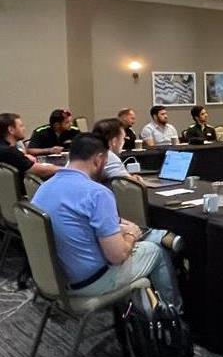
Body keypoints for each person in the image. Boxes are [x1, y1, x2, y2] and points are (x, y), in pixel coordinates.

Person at [32, 134, 181, 308]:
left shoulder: (43, 188)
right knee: (155, 252)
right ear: (99, 159)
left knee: (123, 231)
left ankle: (158, 237)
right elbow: (117, 257)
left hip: (56, 279)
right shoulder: (97, 193)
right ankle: (174, 313)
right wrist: (131, 236)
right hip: (90, 281)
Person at [92, 119, 183, 252]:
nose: (124, 142)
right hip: (113, 221)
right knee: (156, 241)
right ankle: (164, 239)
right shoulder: (108, 156)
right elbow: (129, 187)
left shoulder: (89, 152)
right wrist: (134, 180)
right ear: (113, 141)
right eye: (123, 138)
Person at [0, 112, 59, 182]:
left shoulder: (4, 148)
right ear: (11, 130)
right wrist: (66, 169)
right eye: (21, 126)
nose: (24, 129)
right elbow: (41, 171)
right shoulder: (10, 152)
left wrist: (24, 155)